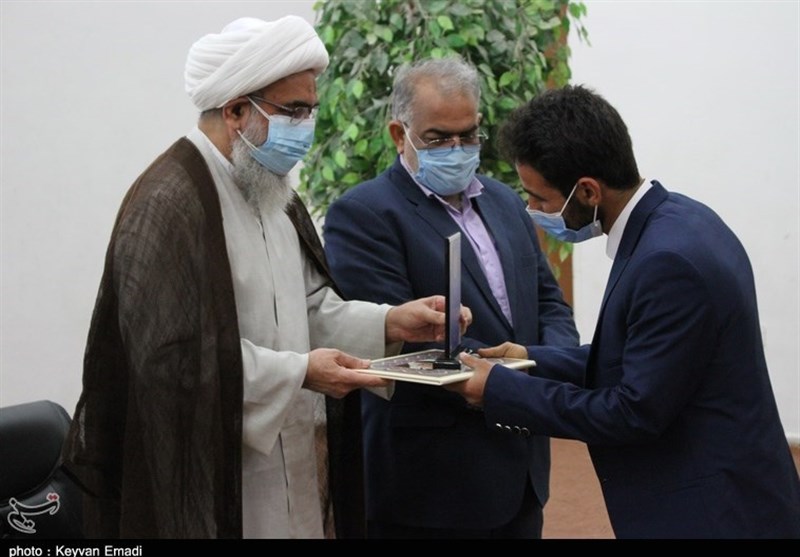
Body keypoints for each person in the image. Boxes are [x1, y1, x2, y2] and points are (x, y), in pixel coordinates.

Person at [60, 16, 471, 540]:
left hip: (292, 456)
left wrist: (391, 322)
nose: (307, 126)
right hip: (213, 473)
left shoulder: (271, 190)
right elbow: (171, 359)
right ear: (236, 111)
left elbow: (308, 307)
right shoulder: (170, 201)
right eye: (293, 110)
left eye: (311, 110)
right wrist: (297, 372)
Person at [448, 84, 800, 538]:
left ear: (588, 191)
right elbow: (644, 358)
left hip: (714, 511)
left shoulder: (666, 263)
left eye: (540, 199)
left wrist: (500, 390)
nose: (531, 209)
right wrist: (528, 359)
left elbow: (633, 412)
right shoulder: (680, 219)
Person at [323, 57, 579, 539]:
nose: (457, 149)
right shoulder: (364, 215)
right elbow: (401, 342)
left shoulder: (505, 201)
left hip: (521, 469)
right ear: (399, 135)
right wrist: (511, 379)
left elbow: (548, 301)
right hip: (431, 484)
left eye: (469, 135)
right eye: (439, 139)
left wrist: (547, 365)